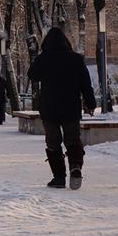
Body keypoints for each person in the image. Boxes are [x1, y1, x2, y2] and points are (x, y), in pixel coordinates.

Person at [28, 26, 98, 189]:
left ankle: (59, 177)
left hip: (49, 108)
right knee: (72, 139)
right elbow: (85, 84)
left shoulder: (44, 58)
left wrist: (41, 59)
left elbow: (32, 75)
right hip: (70, 107)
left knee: (53, 142)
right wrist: (90, 102)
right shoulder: (75, 59)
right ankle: (75, 167)